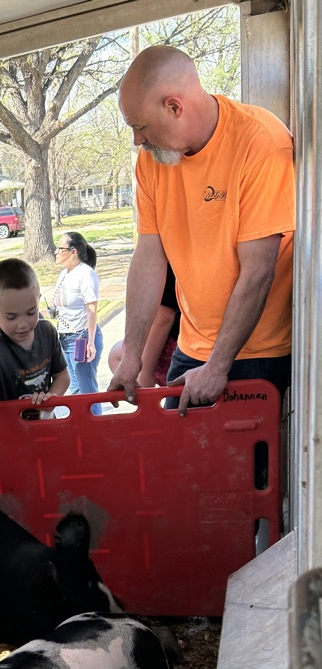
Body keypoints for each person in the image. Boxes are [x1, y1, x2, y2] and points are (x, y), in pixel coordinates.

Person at [110, 45, 295, 416]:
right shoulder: (152, 161)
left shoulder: (259, 142)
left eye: (140, 127)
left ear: (174, 107)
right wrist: (132, 356)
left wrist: (219, 366)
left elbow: (258, 271)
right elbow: (148, 257)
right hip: (191, 347)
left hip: (255, 355)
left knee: (242, 456)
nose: (137, 141)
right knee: (177, 452)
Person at [0, 259, 70, 478]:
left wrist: (51, 398)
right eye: (11, 317)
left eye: (31, 312)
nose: (23, 324)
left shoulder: (47, 332)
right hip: (9, 441)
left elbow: (63, 377)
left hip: (46, 433)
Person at [51, 231, 105, 416]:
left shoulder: (86, 274)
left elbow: (92, 309)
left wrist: (91, 342)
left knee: (87, 390)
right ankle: (80, 427)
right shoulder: (64, 274)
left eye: (60, 248)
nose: (56, 251)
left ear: (73, 251)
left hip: (81, 338)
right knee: (74, 389)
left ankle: (95, 427)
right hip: (65, 338)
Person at [108, 263, 180, 388]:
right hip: (177, 340)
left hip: (181, 344)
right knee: (116, 354)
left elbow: (163, 318)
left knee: (117, 357)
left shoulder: (163, 262)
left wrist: (145, 373)